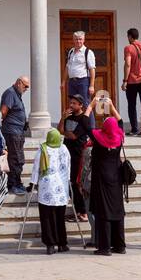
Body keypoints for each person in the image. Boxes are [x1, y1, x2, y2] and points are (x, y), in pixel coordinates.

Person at [86, 92, 127, 256]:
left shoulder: (98, 138)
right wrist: (112, 107)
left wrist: (90, 106)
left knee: (103, 213)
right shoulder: (119, 137)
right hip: (116, 178)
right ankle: (120, 246)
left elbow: (85, 124)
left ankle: (104, 247)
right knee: (117, 211)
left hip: (102, 178)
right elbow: (121, 123)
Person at [30, 129, 72, 254]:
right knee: (60, 216)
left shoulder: (42, 149)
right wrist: (68, 181)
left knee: (47, 217)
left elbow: (36, 168)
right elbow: (68, 166)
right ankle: (62, 244)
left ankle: (50, 245)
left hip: (46, 188)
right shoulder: (64, 149)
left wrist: (33, 182)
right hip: (61, 188)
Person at [59, 95, 92, 225]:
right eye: (70, 102)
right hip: (67, 154)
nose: (71, 105)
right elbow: (60, 130)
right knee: (70, 182)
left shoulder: (84, 120)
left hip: (79, 155)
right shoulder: (69, 117)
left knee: (76, 183)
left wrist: (63, 132)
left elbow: (72, 136)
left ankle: (83, 212)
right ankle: (78, 210)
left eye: (74, 103)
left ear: (80, 105)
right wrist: (62, 118)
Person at [0, 75, 30, 195]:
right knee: (15, 159)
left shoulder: (17, 94)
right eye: (25, 86)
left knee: (18, 159)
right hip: (12, 132)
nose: (26, 89)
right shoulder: (10, 93)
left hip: (18, 132)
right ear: (19, 83)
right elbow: (3, 112)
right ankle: (13, 184)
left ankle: (17, 182)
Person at [64, 31, 97, 115]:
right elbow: (67, 67)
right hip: (72, 82)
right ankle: (74, 127)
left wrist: (92, 85)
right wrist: (63, 82)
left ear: (84, 40)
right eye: (76, 39)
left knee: (85, 104)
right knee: (72, 105)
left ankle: (91, 127)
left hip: (83, 82)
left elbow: (92, 69)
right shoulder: (71, 51)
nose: (78, 41)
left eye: (80, 39)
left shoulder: (88, 52)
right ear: (73, 40)